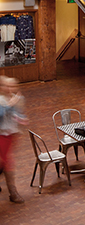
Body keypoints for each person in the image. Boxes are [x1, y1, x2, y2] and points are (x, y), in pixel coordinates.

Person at [0, 76, 26, 204]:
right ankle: (13, 192)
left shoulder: (18, 99)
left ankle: (12, 191)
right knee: (7, 163)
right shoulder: (1, 100)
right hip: (1, 135)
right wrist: (10, 105)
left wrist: (21, 119)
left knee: (5, 163)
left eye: (12, 86)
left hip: (10, 136)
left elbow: (19, 115)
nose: (9, 88)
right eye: (6, 85)